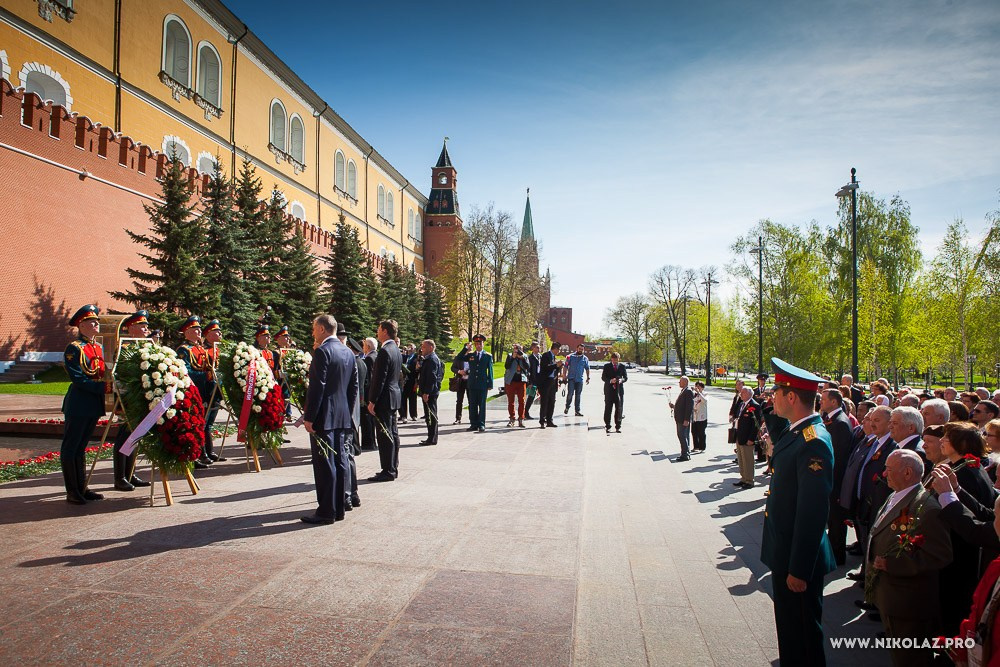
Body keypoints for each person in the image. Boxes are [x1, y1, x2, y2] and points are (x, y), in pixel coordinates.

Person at [759, 357, 836, 666]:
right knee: (790, 633)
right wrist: (772, 407)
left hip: (797, 557)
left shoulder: (813, 441)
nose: (771, 397)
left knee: (802, 637)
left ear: (791, 396)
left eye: (776, 392)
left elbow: (812, 511)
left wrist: (800, 569)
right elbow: (779, 432)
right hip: (785, 551)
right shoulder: (798, 431)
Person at [867, 449, 952, 667]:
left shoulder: (927, 508)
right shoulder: (898, 494)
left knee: (911, 659)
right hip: (891, 596)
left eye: (889, 469)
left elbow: (940, 555)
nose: (884, 474)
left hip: (908, 602)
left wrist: (893, 564)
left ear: (907, 473)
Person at [301, 314, 356, 525]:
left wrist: (309, 417)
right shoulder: (347, 352)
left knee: (325, 465)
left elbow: (317, 387)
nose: (312, 332)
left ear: (322, 329)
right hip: (341, 416)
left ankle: (326, 511)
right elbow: (353, 388)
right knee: (340, 462)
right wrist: (347, 412)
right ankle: (338, 508)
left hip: (324, 417)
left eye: (314, 328)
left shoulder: (323, 351)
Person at [60, 304, 108, 504]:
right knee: (71, 447)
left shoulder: (98, 347)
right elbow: (78, 378)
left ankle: (82, 487)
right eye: (91, 321)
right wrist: (104, 388)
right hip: (79, 403)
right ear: (81, 325)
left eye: (97, 321)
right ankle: (72, 491)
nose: (96, 324)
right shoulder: (74, 348)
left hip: (93, 404)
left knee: (81, 447)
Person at [111, 310, 153, 491]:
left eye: (146, 325)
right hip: (127, 399)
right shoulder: (124, 348)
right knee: (124, 437)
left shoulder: (146, 347)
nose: (146, 329)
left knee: (136, 436)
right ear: (131, 328)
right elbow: (120, 374)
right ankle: (120, 477)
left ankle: (130, 474)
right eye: (142, 326)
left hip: (142, 398)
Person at [820, 388, 854, 565]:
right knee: (832, 519)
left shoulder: (840, 423)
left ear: (834, 402)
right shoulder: (832, 419)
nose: (821, 402)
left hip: (835, 479)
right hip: (831, 478)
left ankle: (837, 555)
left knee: (836, 520)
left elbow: (838, 456)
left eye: (824, 399)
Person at [176, 315, 215, 469]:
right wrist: (206, 376)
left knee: (203, 423)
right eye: (195, 329)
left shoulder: (201, 349)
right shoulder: (184, 350)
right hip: (193, 390)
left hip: (205, 390)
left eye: (199, 329)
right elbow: (186, 371)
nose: (199, 331)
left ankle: (204, 452)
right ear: (187, 332)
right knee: (195, 424)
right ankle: (198, 454)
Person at [367, 320, 402, 481]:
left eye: (379, 329)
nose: (377, 332)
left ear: (385, 332)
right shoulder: (395, 349)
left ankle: (387, 470)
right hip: (393, 396)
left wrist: (372, 400)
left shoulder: (385, 351)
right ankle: (392, 467)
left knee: (384, 434)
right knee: (392, 433)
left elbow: (379, 379)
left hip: (384, 399)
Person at [336, 322, 362, 511]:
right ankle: (353, 494)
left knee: (343, 455)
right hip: (350, 413)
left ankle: (346, 496)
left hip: (342, 414)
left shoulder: (340, 356)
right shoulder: (351, 356)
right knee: (349, 454)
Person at [201, 319, 225, 463]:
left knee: (209, 423)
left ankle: (210, 451)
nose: (220, 334)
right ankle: (203, 453)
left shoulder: (219, 350)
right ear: (208, 334)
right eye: (217, 332)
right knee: (204, 423)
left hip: (217, 392)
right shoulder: (203, 350)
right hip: (207, 391)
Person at [462, 334, 493, 433]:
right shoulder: (471, 355)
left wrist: (490, 384)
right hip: (472, 383)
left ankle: (481, 424)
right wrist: (466, 349)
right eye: (476, 344)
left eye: (480, 343)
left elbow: (490, 371)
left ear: (483, 344)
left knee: (482, 405)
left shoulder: (488, 356)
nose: (478, 345)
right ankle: (473, 424)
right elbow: (460, 358)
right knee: (472, 405)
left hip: (483, 384)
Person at [732, 385, 759, 489]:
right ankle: (743, 478)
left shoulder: (754, 405)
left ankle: (749, 480)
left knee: (748, 460)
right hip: (739, 435)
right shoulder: (741, 404)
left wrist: (751, 439)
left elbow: (755, 425)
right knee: (741, 459)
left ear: (749, 394)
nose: (741, 394)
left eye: (743, 392)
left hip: (747, 438)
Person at [417, 339, 443, 445]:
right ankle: (431, 437)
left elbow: (432, 377)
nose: (422, 349)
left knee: (431, 415)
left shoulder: (432, 359)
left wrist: (427, 392)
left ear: (431, 348)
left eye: (424, 347)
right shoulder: (428, 359)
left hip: (430, 392)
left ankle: (432, 438)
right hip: (428, 391)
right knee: (429, 415)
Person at [503, 343, 530, 428]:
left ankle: (521, 419)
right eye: (516, 349)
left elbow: (527, 367)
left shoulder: (524, 356)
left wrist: (522, 358)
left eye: (519, 349)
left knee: (522, 401)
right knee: (511, 401)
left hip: (521, 381)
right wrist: (513, 357)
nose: (518, 351)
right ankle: (512, 418)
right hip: (511, 380)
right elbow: (506, 366)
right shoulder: (510, 355)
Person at [537, 341, 562, 428]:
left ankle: (549, 420)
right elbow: (545, 368)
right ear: (555, 349)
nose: (559, 352)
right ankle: (542, 421)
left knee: (552, 402)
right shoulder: (546, 356)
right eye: (559, 350)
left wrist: (559, 367)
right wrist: (555, 365)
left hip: (553, 381)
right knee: (544, 402)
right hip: (545, 382)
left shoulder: (554, 357)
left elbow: (555, 370)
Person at [668, 375, 694, 461]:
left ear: (685, 382)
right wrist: (674, 406)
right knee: (684, 436)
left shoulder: (688, 391)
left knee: (682, 436)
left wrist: (686, 419)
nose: (679, 382)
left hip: (683, 419)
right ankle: (685, 453)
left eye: (680, 381)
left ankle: (685, 455)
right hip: (680, 418)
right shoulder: (684, 391)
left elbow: (689, 407)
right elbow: (682, 405)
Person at [602, 352, 627, 433]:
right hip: (609, 390)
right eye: (614, 360)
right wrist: (610, 380)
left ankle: (618, 426)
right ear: (611, 359)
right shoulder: (607, 366)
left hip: (619, 390)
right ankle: (608, 425)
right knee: (608, 408)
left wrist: (621, 380)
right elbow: (603, 377)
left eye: (617, 360)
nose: (615, 361)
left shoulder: (622, 366)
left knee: (619, 408)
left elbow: (625, 377)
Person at [562, 343, 590, 416]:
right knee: (570, 394)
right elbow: (565, 366)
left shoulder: (585, 359)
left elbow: (587, 368)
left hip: (579, 380)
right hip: (571, 379)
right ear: (577, 348)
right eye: (579, 349)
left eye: (582, 349)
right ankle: (567, 407)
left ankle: (577, 411)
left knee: (578, 396)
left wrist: (588, 377)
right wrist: (564, 375)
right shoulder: (570, 357)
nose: (581, 350)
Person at [359, 337, 377, 451]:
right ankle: (371, 442)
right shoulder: (376, 355)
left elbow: (369, 378)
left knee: (366, 419)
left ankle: (368, 443)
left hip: (368, 393)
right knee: (370, 419)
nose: (363, 347)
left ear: (368, 347)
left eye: (364, 345)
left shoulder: (369, 358)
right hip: (372, 393)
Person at [274, 325, 294, 420]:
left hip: (288, 377)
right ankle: (282, 413)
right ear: (279, 339)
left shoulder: (289, 351)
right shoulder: (275, 352)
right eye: (285, 337)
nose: (288, 338)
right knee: (281, 395)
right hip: (280, 378)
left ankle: (287, 412)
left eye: (288, 336)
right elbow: (274, 367)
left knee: (287, 395)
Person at [451, 342, 472, 424]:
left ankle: (472, 418)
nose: (470, 348)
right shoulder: (459, 357)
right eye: (468, 347)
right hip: (461, 381)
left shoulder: (473, 356)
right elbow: (453, 368)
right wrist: (459, 371)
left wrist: (468, 372)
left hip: (470, 381)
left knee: (471, 400)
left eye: (471, 347)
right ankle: (458, 418)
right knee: (459, 400)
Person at [524, 341, 541, 420]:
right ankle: (525, 412)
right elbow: (528, 370)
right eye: (537, 347)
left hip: (539, 379)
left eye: (539, 347)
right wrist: (530, 382)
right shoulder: (530, 358)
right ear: (533, 348)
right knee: (531, 396)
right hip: (533, 380)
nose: (538, 349)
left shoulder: (540, 357)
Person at [691, 381, 708, 452]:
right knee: (694, 432)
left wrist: (699, 393)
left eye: (699, 387)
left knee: (701, 432)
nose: (697, 388)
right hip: (695, 417)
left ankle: (702, 447)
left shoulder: (705, 394)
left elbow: (704, 400)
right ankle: (696, 446)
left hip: (702, 417)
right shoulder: (694, 395)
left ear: (702, 388)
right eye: (696, 387)